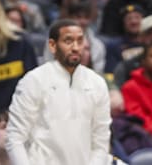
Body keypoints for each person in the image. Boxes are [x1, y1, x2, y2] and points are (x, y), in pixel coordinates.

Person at [6, 19, 111, 164]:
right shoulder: (33, 80)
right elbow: (15, 138)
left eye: (80, 41)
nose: (75, 47)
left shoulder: (97, 83)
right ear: (52, 45)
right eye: (68, 41)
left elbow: (101, 143)